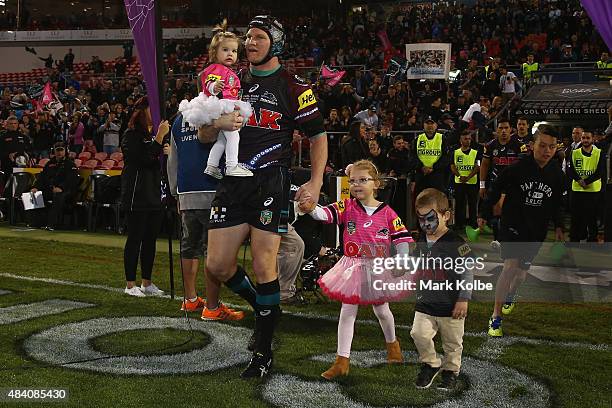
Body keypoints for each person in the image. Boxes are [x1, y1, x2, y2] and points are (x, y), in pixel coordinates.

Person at [197, 15, 328, 378]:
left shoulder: (294, 85)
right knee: (218, 266)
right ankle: (265, 307)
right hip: (232, 181)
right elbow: (206, 136)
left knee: (264, 265)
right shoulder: (231, 81)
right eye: (248, 38)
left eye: (258, 37)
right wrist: (216, 124)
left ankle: (264, 349)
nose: (250, 43)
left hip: (271, 182)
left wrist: (315, 182)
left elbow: (318, 136)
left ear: (276, 42)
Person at [299, 160, 413, 380]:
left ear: (376, 184)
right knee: (347, 312)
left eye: (363, 180)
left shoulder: (388, 213)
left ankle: (393, 346)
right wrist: (311, 208)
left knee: (381, 311)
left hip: (378, 268)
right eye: (352, 181)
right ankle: (342, 361)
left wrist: (403, 259)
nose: (356, 185)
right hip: (351, 267)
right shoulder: (347, 206)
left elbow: (401, 238)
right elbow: (325, 215)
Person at [478, 125, 566, 337]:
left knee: (520, 275)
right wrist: (483, 213)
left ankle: (512, 293)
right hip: (512, 225)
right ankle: (496, 317)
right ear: (531, 145)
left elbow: (557, 204)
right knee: (509, 268)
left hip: (536, 231)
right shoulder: (517, 168)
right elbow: (495, 187)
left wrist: (560, 226)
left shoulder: (556, 174)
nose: (547, 150)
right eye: (542, 145)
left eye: (551, 147)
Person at [167, 112, 244, 320]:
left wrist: (175, 191)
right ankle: (211, 307)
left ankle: (190, 299)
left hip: (186, 191)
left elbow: (173, 158)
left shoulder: (180, 118)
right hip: (213, 190)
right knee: (214, 249)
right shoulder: (219, 111)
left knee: (189, 246)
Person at [411, 188, 473, 390]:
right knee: (418, 333)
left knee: (453, 343)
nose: (425, 224)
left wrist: (463, 298)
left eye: (430, 218)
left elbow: (468, 270)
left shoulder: (457, 242)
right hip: (426, 300)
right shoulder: (422, 239)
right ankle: (430, 363)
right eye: (421, 219)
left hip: (451, 303)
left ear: (446, 215)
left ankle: (450, 371)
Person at [184, 23, 253, 179]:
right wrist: (215, 87)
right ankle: (231, 166)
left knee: (222, 140)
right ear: (214, 52)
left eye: (234, 51)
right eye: (225, 50)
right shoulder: (216, 68)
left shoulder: (227, 70)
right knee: (234, 136)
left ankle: (211, 165)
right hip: (222, 105)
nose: (230, 54)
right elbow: (208, 84)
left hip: (225, 104)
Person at [120, 96, 169, 297]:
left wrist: (165, 148)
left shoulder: (153, 135)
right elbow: (143, 159)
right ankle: (130, 284)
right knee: (135, 239)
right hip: (136, 194)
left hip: (154, 193)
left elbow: (155, 161)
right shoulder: (131, 135)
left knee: (150, 240)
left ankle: (146, 282)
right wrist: (158, 140)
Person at [479, 118, 525, 246]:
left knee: (512, 213)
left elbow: (523, 166)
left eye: (506, 128)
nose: (503, 131)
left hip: (514, 186)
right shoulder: (490, 146)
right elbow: (484, 165)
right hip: (496, 186)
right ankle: (497, 239)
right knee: (496, 211)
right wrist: (482, 185)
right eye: (501, 128)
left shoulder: (519, 145)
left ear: (511, 130)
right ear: (496, 130)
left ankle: (510, 240)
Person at [30, 142, 79, 230]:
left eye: (61, 150)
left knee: (58, 196)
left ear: (65, 151)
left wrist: (61, 187)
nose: (59, 152)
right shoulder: (49, 164)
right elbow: (42, 177)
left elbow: (71, 180)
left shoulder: (70, 164)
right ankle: (36, 222)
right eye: (57, 150)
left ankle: (52, 224)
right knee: (33, 194)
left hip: (66, 191)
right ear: (54, 151)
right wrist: (35, 187)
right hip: (50, 189)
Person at [566, 130, 605, 242]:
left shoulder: (599, 153)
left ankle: (592, 239)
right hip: (577, 189)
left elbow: (600, 171)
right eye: (583, 138)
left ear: (592, 139)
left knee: (591, 217)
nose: (585, 140)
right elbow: (570, 170)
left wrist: (586, 182)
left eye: (588, 138)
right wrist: (579, 180)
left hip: (593, 190)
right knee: (575, 217)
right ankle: (574, 239)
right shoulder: (574, 152)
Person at [409, 115, 450, 199]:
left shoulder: (442, 138)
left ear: (436, 125)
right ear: (423, 125)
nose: (430, 125)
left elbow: (446, 157)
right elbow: (413, 157)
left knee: (437, 201)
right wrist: (421, 167)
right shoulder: (417, 139)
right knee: (420, 201)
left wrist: (433, 167)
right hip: (421, 175)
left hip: (437, 175)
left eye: (432, 123)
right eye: (427, 123)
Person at [451, 131, 480, 229]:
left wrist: (468, 177)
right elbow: (452, 166)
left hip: (472, 182)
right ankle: (459, 224)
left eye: (469, 139)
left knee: (472, 203)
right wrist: (460, 176)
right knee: (459, 203)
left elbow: (478, 166)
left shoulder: (475, 152)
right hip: (459, 182)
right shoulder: (455, 152)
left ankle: (473, 223)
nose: (468, 141)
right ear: (460, 140)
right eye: (465, 139)